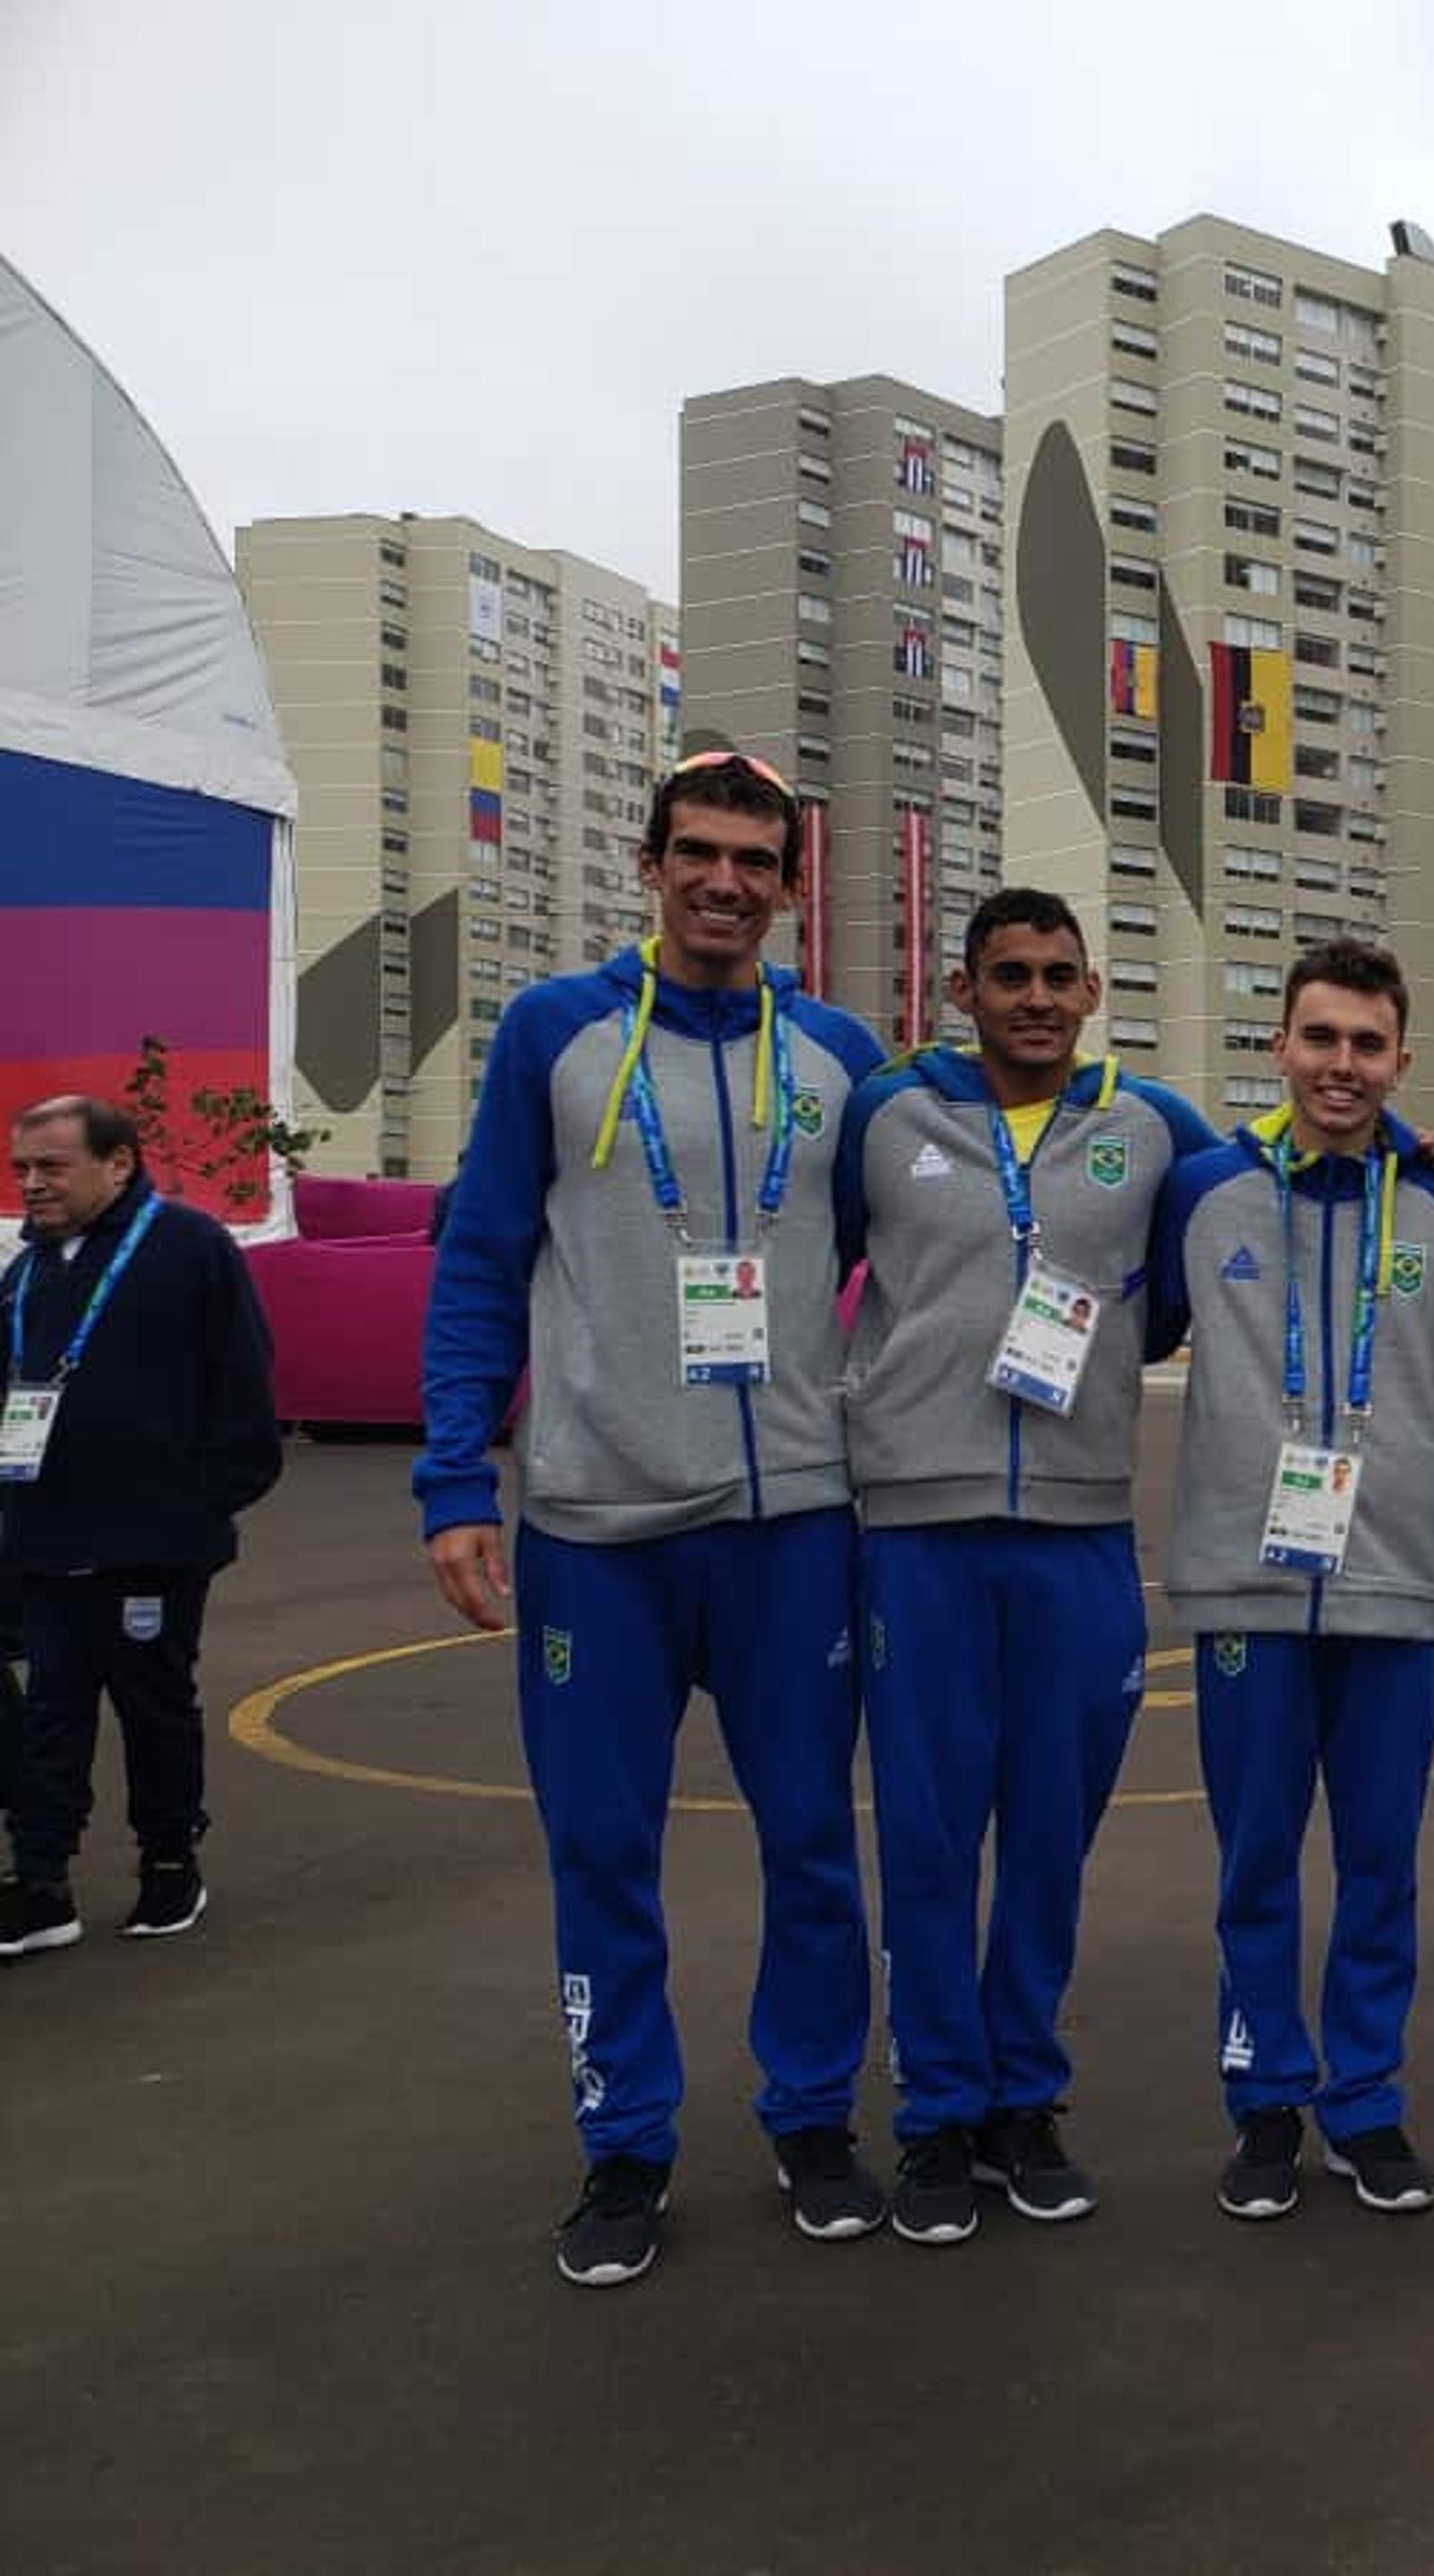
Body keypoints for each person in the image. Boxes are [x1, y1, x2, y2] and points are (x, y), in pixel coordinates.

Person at [417, 749, 890, 2287]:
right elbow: (483, 1255)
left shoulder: (836, 1055)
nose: (727, 883)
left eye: (758, 861)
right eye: (700, 852)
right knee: (602, 1853)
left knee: (815, 1842)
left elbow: (942, 1228)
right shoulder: (554, 1034)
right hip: (598, 1527)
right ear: (651, 862)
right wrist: (450, 1481)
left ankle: (812, 2118)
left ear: (790, 885)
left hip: (793, 1524)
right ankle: (624, 2144)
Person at [833, 886, 1217, 2246]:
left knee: (1050, 1837)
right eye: (1011, 975)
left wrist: (1424, 1147)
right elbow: (797, 1261)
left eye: (1061, 975)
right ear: (964, 987)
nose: (1038, 998)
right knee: (932, 1836)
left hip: (1078, 1530)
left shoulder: (1153, 1127)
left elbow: (1260, 1193)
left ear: (1093, 988)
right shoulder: (883, 1116)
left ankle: (1022, 2100)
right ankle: (937, 2114)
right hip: (918, 1533)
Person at [1148, 938, 1434, 2222]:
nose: (1342, 1067)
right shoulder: (1201, 1189)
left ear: (1401, 1061)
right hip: (1244, 1587)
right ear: (1281, 1047)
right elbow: (1122, 1320)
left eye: (1367, 1045)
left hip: (1397, 1583)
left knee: (1380, 1862)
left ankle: (1364, 2102)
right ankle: (1263, 2100)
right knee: (1256, 1862)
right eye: (1321, 1038)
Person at [0, 1096, 279, 1954]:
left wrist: (195, 1506)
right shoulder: (28, 1271)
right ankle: (42, 1882)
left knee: (153, 1706)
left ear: (117, 1163)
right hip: (43, 1539)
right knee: (50, 1712)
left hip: (151, 1543)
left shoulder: (188, 1250)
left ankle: (168, 1865)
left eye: (51, 1167)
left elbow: (245, 1391)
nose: (32, 1185)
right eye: (22, 1170)